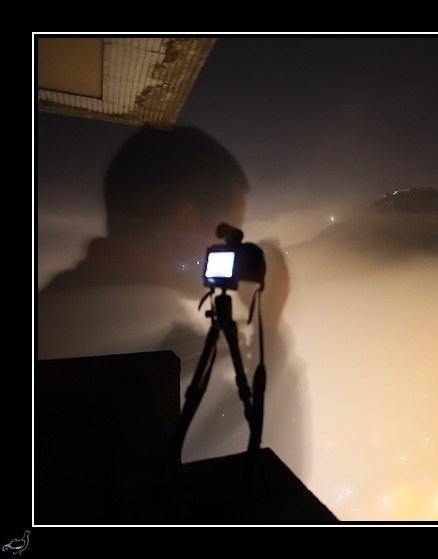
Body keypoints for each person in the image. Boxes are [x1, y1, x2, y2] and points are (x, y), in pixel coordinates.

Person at [37, 126, 308, 475]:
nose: (233, 250)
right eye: (230, 232)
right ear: (186, 221)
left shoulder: (53, 303)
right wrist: (270, 325)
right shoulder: (163, 347)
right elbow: (271, 469)